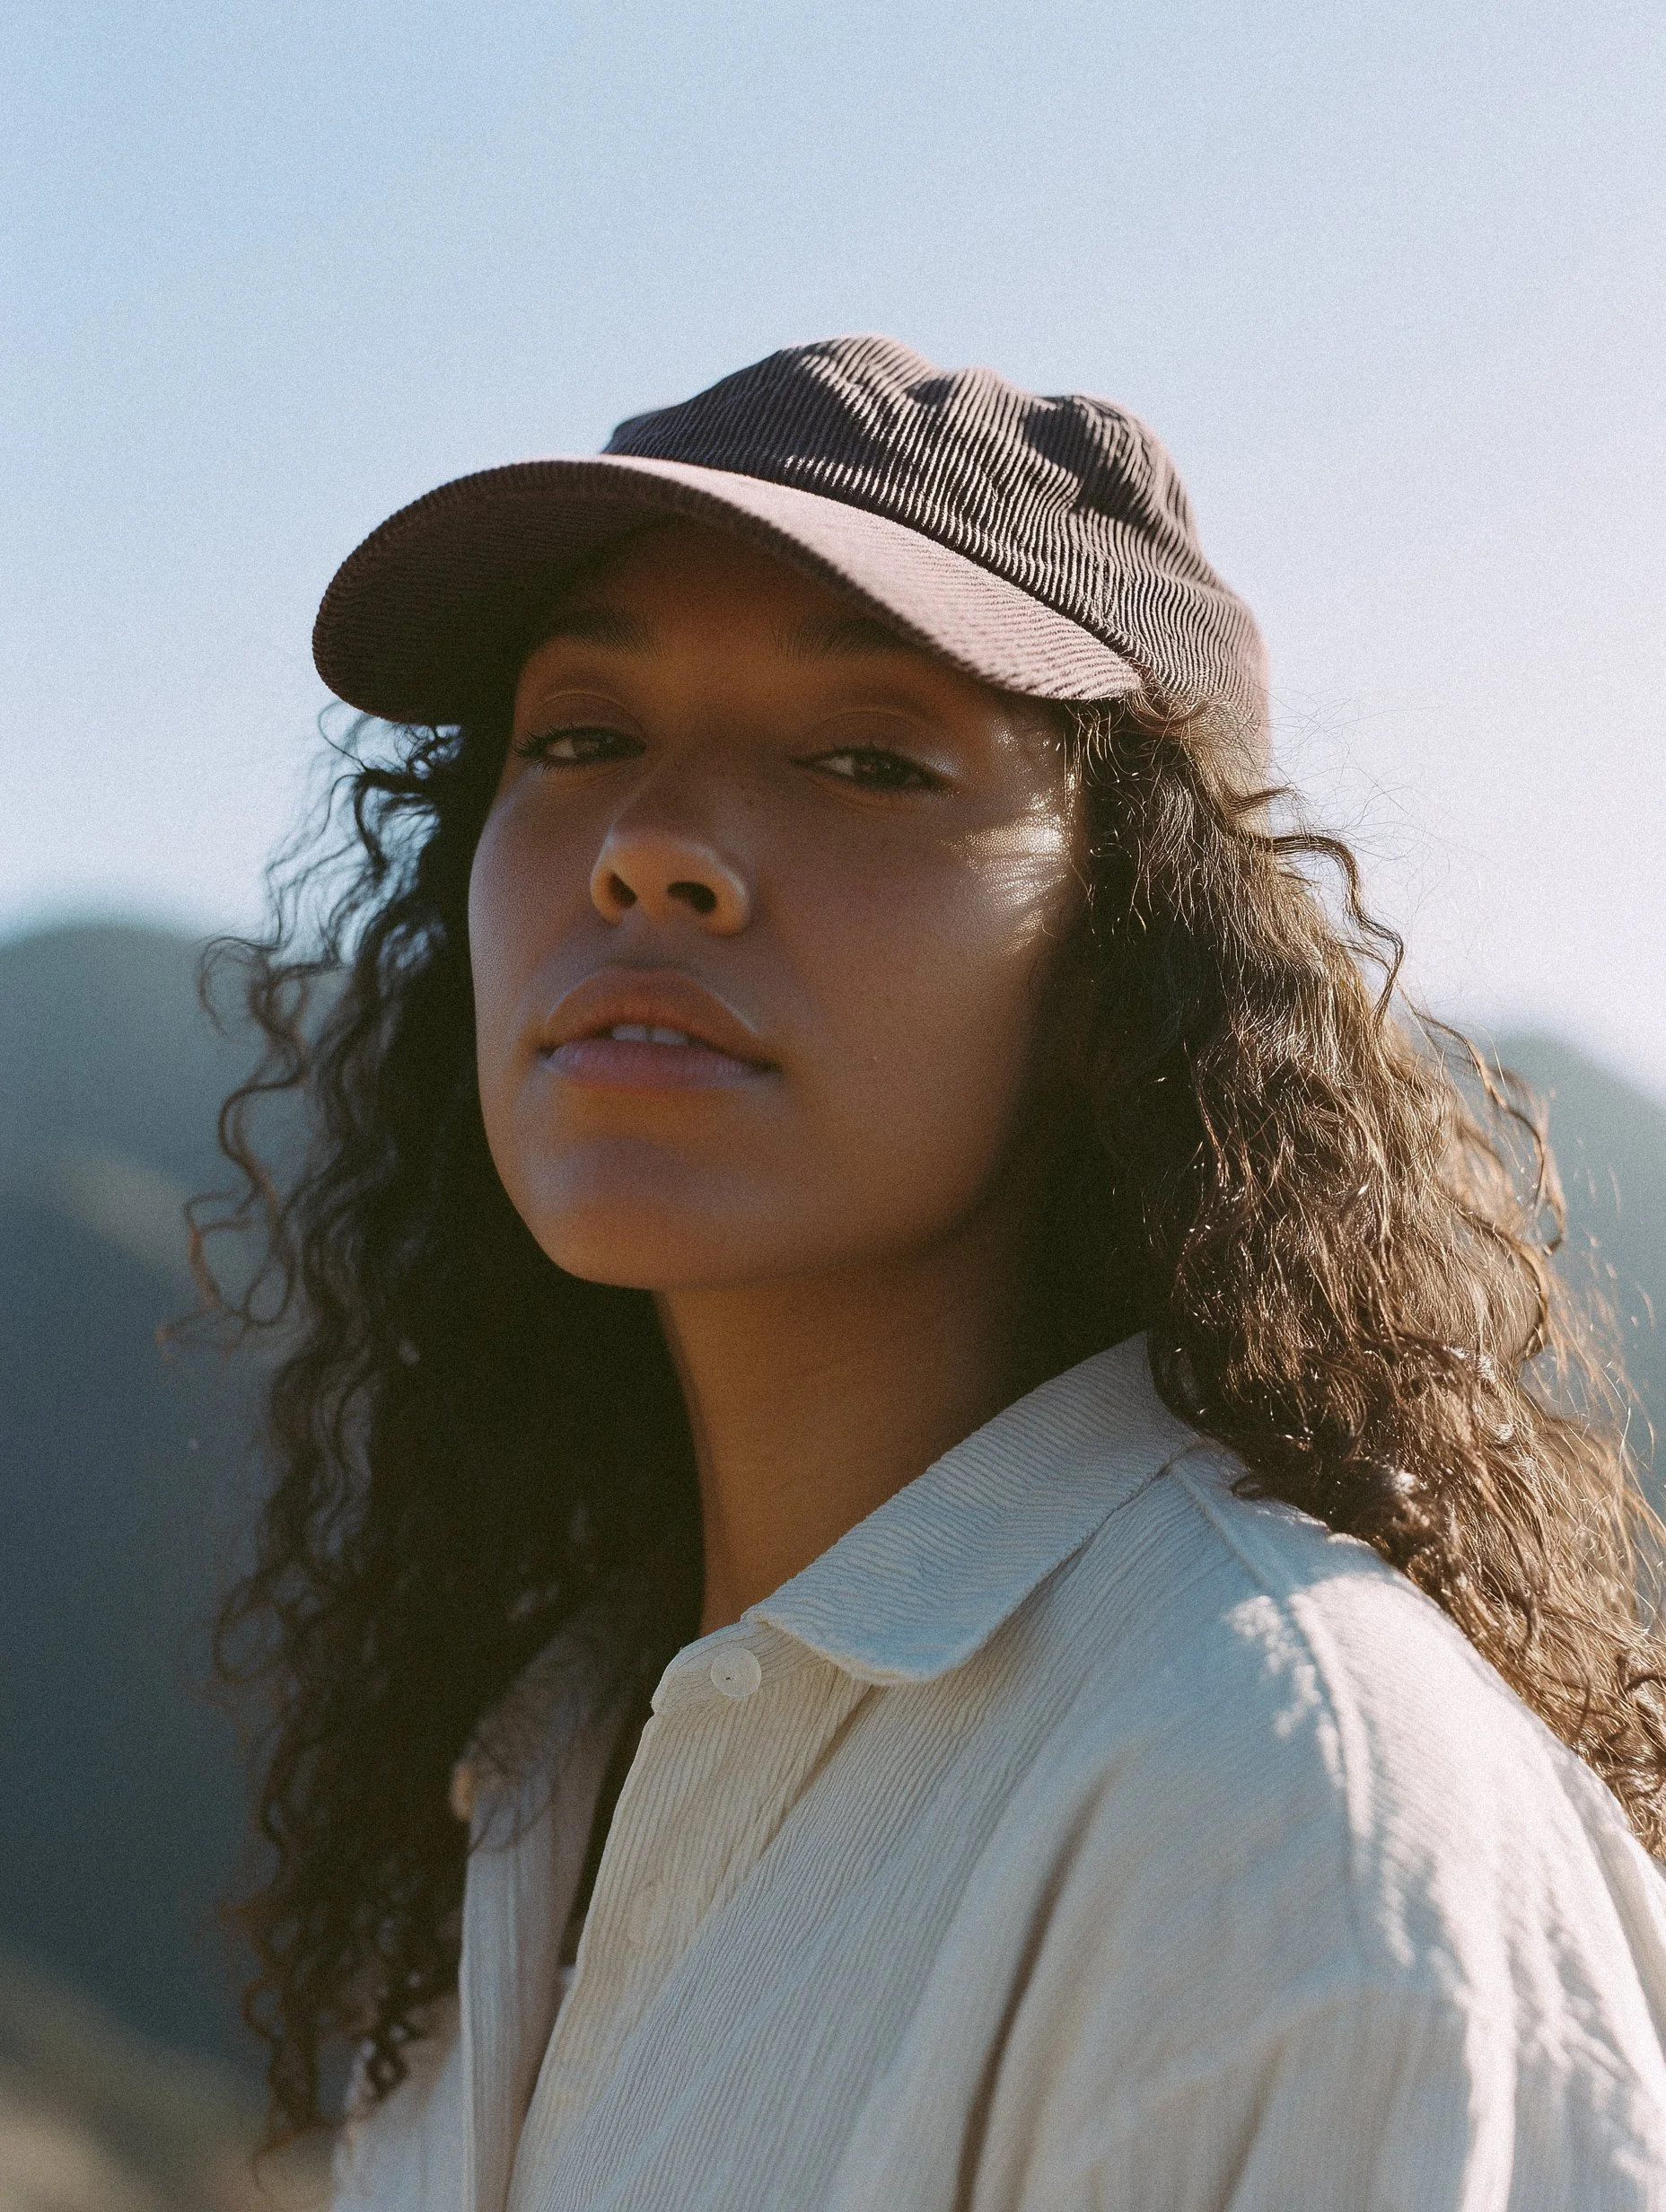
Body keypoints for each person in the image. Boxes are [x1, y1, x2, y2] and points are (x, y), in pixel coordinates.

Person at [204, 337, 1666, 2208]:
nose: (648, 848)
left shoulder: (1290, 1823)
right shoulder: (539, 1762)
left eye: (868, 760)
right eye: (576, 736)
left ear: (1123, 961)